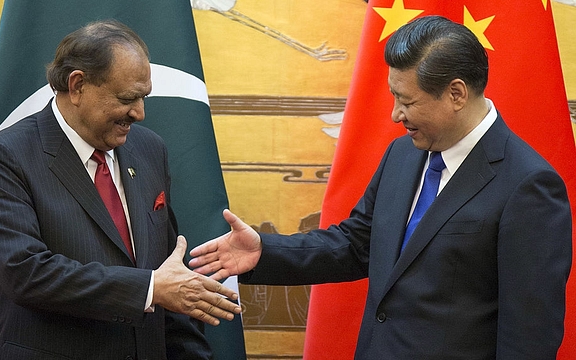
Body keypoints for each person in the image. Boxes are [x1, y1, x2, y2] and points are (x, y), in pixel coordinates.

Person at [189, 15, 572, 359]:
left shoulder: (528, 185)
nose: (395, 115)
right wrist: (265, 251)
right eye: (393, 96)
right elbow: (357, 244)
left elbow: (529, 337)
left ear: (456, 94)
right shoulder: (403, 154)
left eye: (407, 101)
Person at [0, 20, 241, 360]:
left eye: (143, 97)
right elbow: (25, 273)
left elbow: (169, 272)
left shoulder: (149, 149)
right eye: (128, 98)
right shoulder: (6, 156)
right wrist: (150, 289)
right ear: (78, 85)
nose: (140, 113)